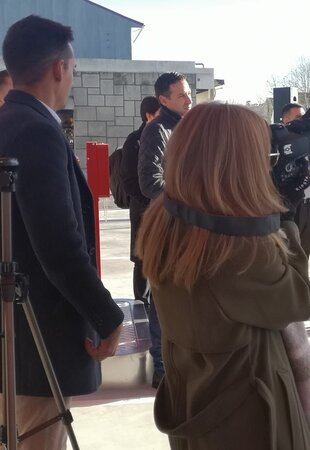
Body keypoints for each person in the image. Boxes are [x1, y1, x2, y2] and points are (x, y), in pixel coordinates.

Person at [135, 102, 310, 449]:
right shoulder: (236, 249)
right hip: (249, 417)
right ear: (238, 164)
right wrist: (284, 215)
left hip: (196, 399)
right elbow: (297, 298)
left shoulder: (166, 220)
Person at [0, 15, 124, 449]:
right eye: (72, 68)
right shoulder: (37, 131)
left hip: (14, 333)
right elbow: (57, 243)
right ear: (59, 68)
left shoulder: (8, 121)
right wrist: (106, 315)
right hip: (36, 338)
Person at [138, 71, 192, 388]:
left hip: (192, 228)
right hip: (170, 229)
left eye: (189, 93)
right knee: (164, 300)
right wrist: (188, 200)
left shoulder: (189, 129)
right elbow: (149, 182)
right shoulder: (157, 130)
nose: (189, 99)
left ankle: (182, 363)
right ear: (163, 100)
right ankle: (161, 368)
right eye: (181, 95)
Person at [281, 102, 310, 315]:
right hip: (292, 209)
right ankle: (290, 301)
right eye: (298, 117)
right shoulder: (282, 147)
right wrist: (304, 177)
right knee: (290, 256)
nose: (304, 121)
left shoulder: (308, 143)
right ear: (285, 120)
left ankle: (305, 300)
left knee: (305, 256)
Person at [120, 96, 161, 305]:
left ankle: (157, 302)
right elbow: (128, 180)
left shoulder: (165, 137)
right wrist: (149, 201)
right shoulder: (134, 141)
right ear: (149, 115)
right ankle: (141, 302)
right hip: (142, 209)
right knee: (142, 258)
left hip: (162, 209)